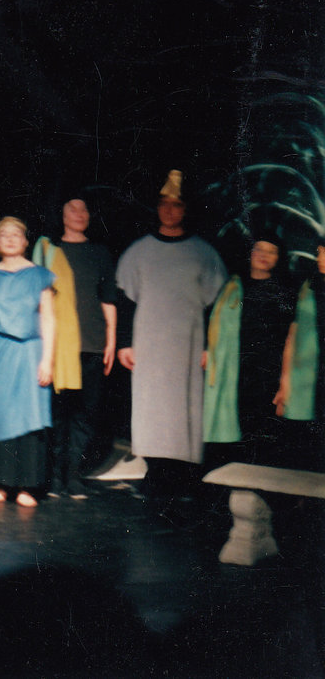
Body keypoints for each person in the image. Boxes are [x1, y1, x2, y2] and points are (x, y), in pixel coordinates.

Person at [116, 170, 226, 507]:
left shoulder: (203, 253)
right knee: (152, 409)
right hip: (149, 344)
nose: (169, 210)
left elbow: (218, 304)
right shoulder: (139, 251)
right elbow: (125, 299)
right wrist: (125, 343)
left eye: (176, 205)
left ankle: (182, 479)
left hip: (187, 345)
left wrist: (209, 346)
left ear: (185, 210)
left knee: (183, 410)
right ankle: (155, 475)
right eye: (164, 204)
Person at [33, 198, 117, 499]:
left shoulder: (99, 252)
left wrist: (111, 340)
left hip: (91, 343)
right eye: (72, 209)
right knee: (57, 413)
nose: (79, 214)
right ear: (62, 215)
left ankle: (74, 475)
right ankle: (54, 476)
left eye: (84, 209)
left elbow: (108, 298)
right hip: (58, 346)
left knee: (84, 413)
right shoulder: (49, 250)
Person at [0, 217, 56, 508]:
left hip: (30, 350)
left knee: (30, 415)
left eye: (16, 235)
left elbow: (48, 318)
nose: (10, 239)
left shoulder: (39, 275)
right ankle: (2, 483)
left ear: (25, 241)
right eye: (4, 235)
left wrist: (47, 359)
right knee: (2, 413)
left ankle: (28, 486)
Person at [203, 237, 297, 467]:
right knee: (227, 424)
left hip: (266, 371)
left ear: (279, 258)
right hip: (230, 367)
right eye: (259, 249)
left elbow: (289, 337)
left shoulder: (284, 292)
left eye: (271, 251)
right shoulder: (232, 286)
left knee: (257, 431)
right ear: (250, 252)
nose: (263, 255)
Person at [274, 242, 325, 471]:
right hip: (303, 381)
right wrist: (284, 382)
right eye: (320, 253)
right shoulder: (308, 286)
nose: (321, 258)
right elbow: (292, 336)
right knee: (298, 452)